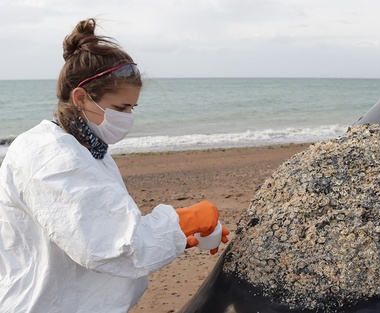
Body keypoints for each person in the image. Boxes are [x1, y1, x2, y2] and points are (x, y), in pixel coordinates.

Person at [0, 18, 229, 312]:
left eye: (132, 107)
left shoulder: (88, 150)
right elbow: (115, 247)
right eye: (120, 108)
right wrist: (183, 220)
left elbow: (88, 230)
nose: (128, 117)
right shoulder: (52, 158)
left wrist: (177, 238)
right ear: (81, 98)